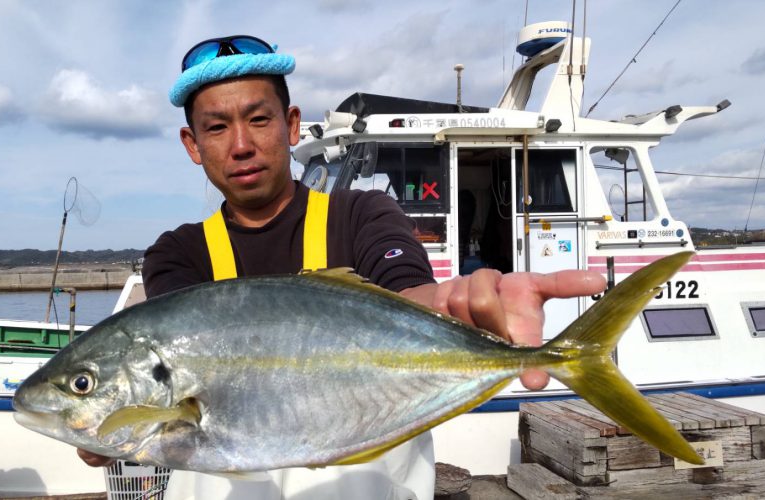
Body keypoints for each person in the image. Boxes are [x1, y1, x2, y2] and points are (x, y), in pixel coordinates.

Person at [79, 35, 606, 500]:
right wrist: (109, 429)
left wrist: (449, 307)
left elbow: (409, 296)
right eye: (217, 128)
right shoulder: (179, 253)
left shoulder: (362, 215)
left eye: (259, 119)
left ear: (290, 125)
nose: (241, 145)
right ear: (193, 145)